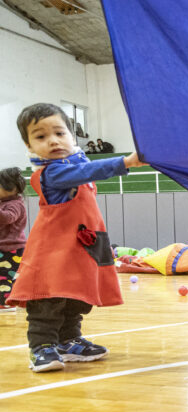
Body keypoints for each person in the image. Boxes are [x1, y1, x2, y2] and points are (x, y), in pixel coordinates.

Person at [7, 103, 146, 372]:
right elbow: (84, 172)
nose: (53, 141)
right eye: (40, 136)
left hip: (82, 247)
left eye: (60, 133)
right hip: (52, 252)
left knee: (77, 296)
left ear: (73, 137)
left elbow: (84, 167)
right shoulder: (53, 173)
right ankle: (41, 346)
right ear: (30, 147)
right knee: (48, 299)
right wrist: (126, 162)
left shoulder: (76, 163)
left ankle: (68, 340)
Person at [0, 167, 27, 311]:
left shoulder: (15, 204)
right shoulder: (4, 202)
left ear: (10, 188)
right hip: (5, 247)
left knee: (4, 276)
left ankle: (5, 303)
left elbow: (8, 218)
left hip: (11, 248)